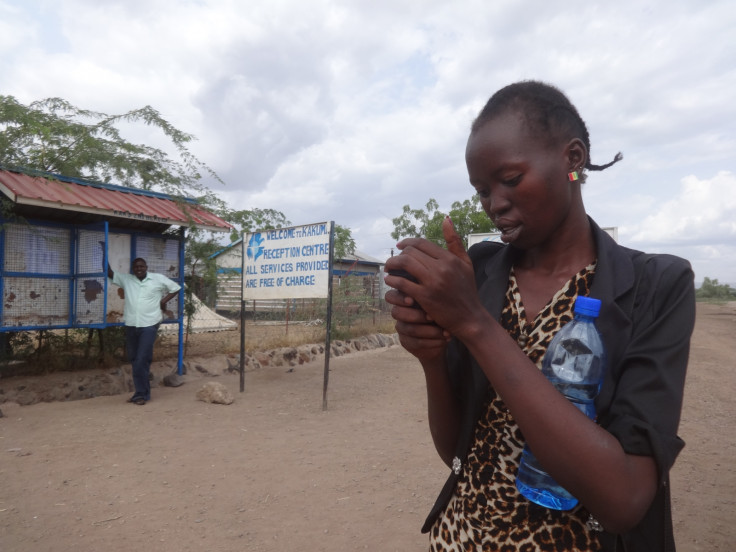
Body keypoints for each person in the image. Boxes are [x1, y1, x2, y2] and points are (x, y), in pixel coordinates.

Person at [384, 81, 695, 551]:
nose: (494, 204)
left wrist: (474, 325)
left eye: (510, 180)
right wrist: (431, 356)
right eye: (482, 190)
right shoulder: (483, 271)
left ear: (572, 159)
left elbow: (624, 500)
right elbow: (459, 451)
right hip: (460, 537)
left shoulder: (655, 285)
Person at [107, 257, 181, 405]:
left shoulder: (157, 279)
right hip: (131, 324)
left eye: (141, 266)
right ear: (133, 269)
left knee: (141, 359)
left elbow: (176, 288)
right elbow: (109, 272)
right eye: (136, 267)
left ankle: (140, 394)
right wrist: (104, 251)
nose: (139, 269)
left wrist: (162, 302)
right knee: (136, 359)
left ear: (146, 267)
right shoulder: (127, 280)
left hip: (149, 324)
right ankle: (143, 393)